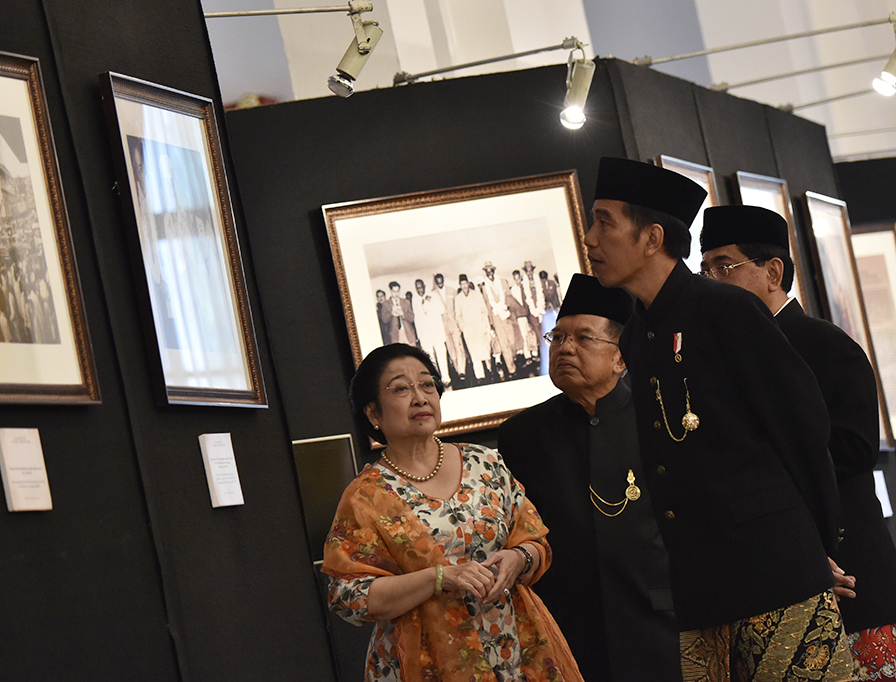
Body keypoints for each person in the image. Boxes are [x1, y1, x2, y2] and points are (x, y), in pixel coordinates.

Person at [584, 156, 852, 680]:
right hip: (701, 584)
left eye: (604, 221)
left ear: (651, 237)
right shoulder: (639, 334)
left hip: (775, 570)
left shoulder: (725, 309)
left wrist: (818, 546)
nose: (591, 238)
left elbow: (801, 426)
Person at [699, 204, 896, 680]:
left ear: (773, 271)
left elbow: (853, 449)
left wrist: (756, 464)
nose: (709, 280)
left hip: (849, 567)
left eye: (723, 266)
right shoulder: (721, 353)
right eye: (703, 269)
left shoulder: (826, 346)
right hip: (769, 577)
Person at [322, 343, 583, 682]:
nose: (419, 397)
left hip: (516, 645)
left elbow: (536, 541)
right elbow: (349, 596)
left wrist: (519, 559)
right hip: (428, 661)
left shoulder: (484, 464)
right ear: (373, 414)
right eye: (401, 388)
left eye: (427, 384)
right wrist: (438, 578)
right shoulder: (365, 496)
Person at [499, 274, 681, 682]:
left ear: (621, 357)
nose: (565, 349)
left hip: (660, 621)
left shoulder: (658, 415)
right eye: (558, 338)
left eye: (583, 338)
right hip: (569, 626)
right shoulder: (522, 434)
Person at [454, 274, 494, 383]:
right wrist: (464, 328)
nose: (464, 286)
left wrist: (485, 325)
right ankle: (480, 376)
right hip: (469, 330)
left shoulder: (476, 295)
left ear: (468, 283)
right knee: (474, 354)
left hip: (480, 326)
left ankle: (490, 370)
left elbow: (484, 310)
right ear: (460, 285)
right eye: (462, 284)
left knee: (485, 350)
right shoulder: (458, 299)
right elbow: (458, 316)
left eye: (465, 283)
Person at [411, 278, 451, 386]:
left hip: (436, 331)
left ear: (424, 286)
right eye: (417, 288)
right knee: (429, 358)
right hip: (425, 334)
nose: (419, 290)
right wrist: (419, 335)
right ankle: (435, 379)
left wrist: (431, 302)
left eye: (420, 287)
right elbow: (416, 318)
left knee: (441, 354)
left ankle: (446, 378)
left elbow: (442, 310)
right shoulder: (415, 299)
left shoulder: (433, 295)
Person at [433, 273, 467, 382]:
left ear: (443, 280)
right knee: (451, 349)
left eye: (441, 282)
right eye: (438, 283)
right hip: (443, 326)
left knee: (459, 346)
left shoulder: (452, 291)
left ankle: (462, 371)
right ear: (435, 282)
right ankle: (457, 369)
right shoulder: (433, 294)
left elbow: (458, 308)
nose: (440, 284)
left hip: (454, 323)